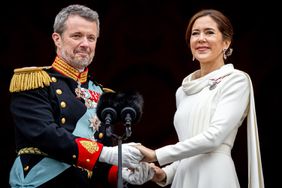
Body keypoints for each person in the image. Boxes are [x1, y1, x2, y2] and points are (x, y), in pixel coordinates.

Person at [8, 4, 151, 187]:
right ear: (57, 39)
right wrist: (105, 154)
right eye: (77, 36)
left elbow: (98, 164)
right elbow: (43, 134)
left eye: (91, 38)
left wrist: (121, 173)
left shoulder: (102, 94)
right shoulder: (35, 81)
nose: (85, 44)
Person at [135, 9, 265, 188]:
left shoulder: (236, 80)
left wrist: (156, 155)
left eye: (209, 32)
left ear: (226, 42)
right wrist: (164, 174)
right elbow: (188, 146)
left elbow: (214, 138)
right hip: (183, 178)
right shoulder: (183, 90)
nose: (201, 38)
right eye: (195, 33)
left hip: (215, 175)